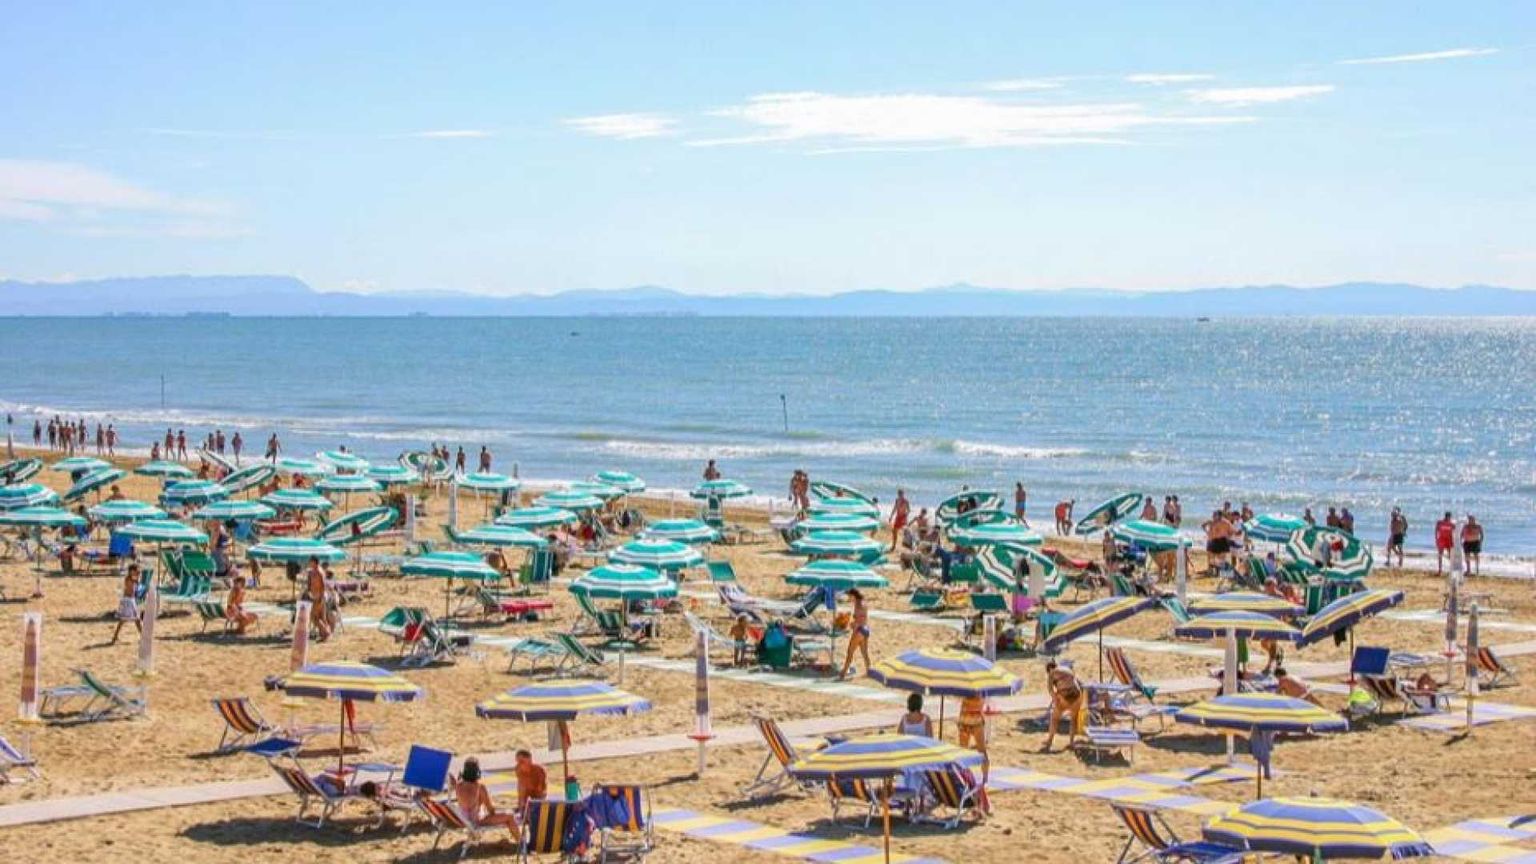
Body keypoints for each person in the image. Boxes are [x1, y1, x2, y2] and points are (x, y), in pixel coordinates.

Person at [455, 758, 518, 839]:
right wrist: (502, 811)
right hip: (476, 821)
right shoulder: (479, 787)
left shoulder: (458, 785)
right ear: (477, 771)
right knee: (510, 816)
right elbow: (491, 810)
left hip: (463, 820)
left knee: (481, 805)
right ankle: (521, 844)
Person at [1043, 660, 1084, 751]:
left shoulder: (1052, 673)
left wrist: (1056, 700)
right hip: (1077, 694)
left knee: (1055, 719)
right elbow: (1079, 684)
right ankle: (1072, 743)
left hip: (1065, 695)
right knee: (1073, 719)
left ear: (1049, 669)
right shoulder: (1067, 669)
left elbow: (1051, 691)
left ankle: (1049, 741)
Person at [837, 588, 870, 680]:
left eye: (849, 596)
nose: (849, 598)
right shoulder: (863, 602)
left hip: (859, 630)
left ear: (853, 595)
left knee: (850, 652)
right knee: (864, 653)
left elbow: (859, 620)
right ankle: (869, 671)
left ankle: (843, 673)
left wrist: (853, 626)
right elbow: (863, 618)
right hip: (866, 629)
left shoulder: (858, 604)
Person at [110, 564, 142, 644]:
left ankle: (115, 637)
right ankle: (143, 637)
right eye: (135, 571)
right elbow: (136, 580)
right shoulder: (129, 578)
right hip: (128, 601)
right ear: (131, 571)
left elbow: (137, 582)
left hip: (130, 600)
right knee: (133, 619)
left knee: (130, 620)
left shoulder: (132, 578)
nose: (137, 572)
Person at [305, 556, 332, 641]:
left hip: (319, 596)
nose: (309, 563)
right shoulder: (312, 572)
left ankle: (326, 632)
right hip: (315, 596)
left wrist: (321, 597)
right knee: (322, 617)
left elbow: (323, 585)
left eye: (310, 562)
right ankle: (324, 635)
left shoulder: (319, 572)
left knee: (314, 617)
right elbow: (310, 584)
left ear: (314, 562)